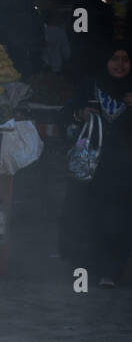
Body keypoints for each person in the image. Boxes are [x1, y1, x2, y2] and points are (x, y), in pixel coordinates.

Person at [60, 39, 132, 286]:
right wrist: (81, 114)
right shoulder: (91, 85)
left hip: (124, 170)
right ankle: (87, 268)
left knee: (119, 219)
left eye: (125, 59)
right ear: (105, 61)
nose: (120, 65)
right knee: (89, 216)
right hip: (93, 168)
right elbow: (66, 115)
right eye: (114, 59)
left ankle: (112, 272)